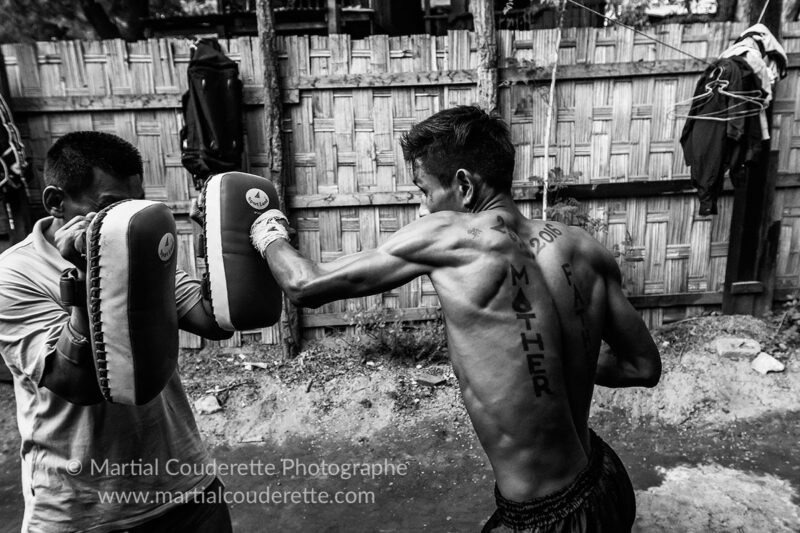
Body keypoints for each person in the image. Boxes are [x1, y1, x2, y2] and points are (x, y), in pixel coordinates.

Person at [250, 106, 661, 532]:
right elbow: (642, 367)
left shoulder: (453, 235)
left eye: (424, 191)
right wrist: (559, 362)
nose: (423, 206)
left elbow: (305, 284)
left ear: (464, 184)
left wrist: (265, 230)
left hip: (543, 520)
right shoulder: (582, 246)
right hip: (605, 480)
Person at [0, 131, 234, 532]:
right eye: (109, 208)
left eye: (133, 207)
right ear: (57, 202)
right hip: (83, 511)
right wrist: (88, 274)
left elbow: (211, 320)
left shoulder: (133, 246)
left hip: (183, 490)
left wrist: (212, 238)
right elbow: (76, 383)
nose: (123, 221)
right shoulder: (12, 276)